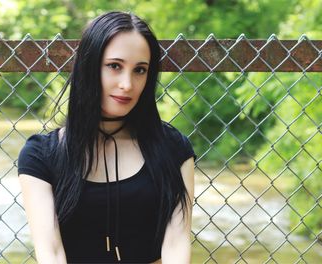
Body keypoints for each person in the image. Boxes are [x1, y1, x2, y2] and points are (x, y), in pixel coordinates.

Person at [18, 11, 196, 264]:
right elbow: (51, 253)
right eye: (115, 66)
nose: (127, 84)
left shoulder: (173, 148)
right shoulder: (41, 156)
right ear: (89, 67)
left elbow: (177, 243)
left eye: (140, 70)